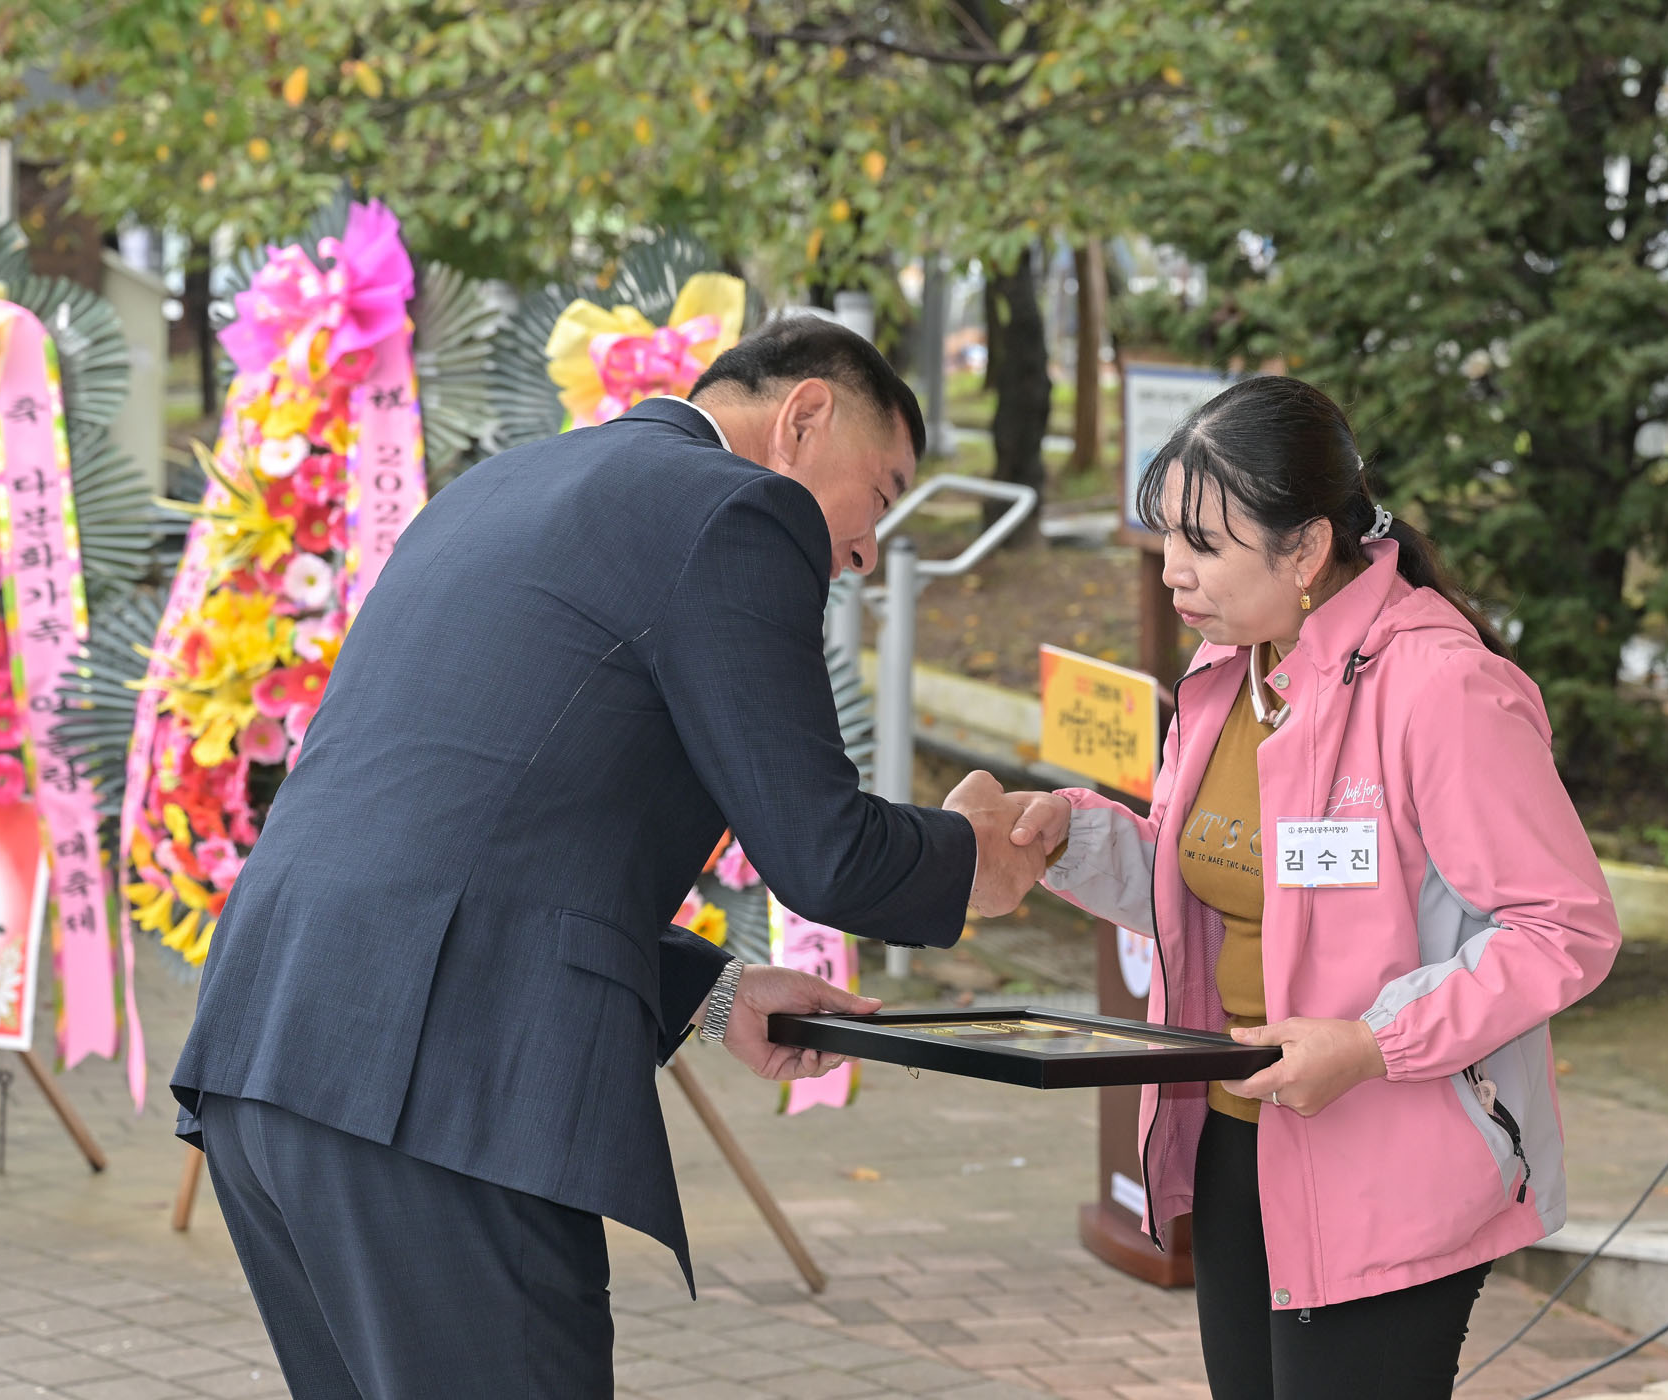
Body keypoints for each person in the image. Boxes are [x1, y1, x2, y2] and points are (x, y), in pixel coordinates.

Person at [169, 316, 1045, 1398]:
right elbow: (826, 853)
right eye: (881, 491)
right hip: (438, 1089)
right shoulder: (739, 508)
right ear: (804, 417)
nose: (867, 548)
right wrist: (975, 857)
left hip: (271, 1048)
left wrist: (715, 993)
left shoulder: (498, 485)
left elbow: (474, 825)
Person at [988, 375, 1621, 1400]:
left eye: (1203, 542)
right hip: (1239, 1139)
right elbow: (1216, 885)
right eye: (1168, 533)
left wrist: (1372, 1043)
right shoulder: (1228, 670)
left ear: (1307, 549)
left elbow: (1565, 929)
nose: (1171, 567)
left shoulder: (1442, 687)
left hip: (1393, 1163)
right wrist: (1066, 837)